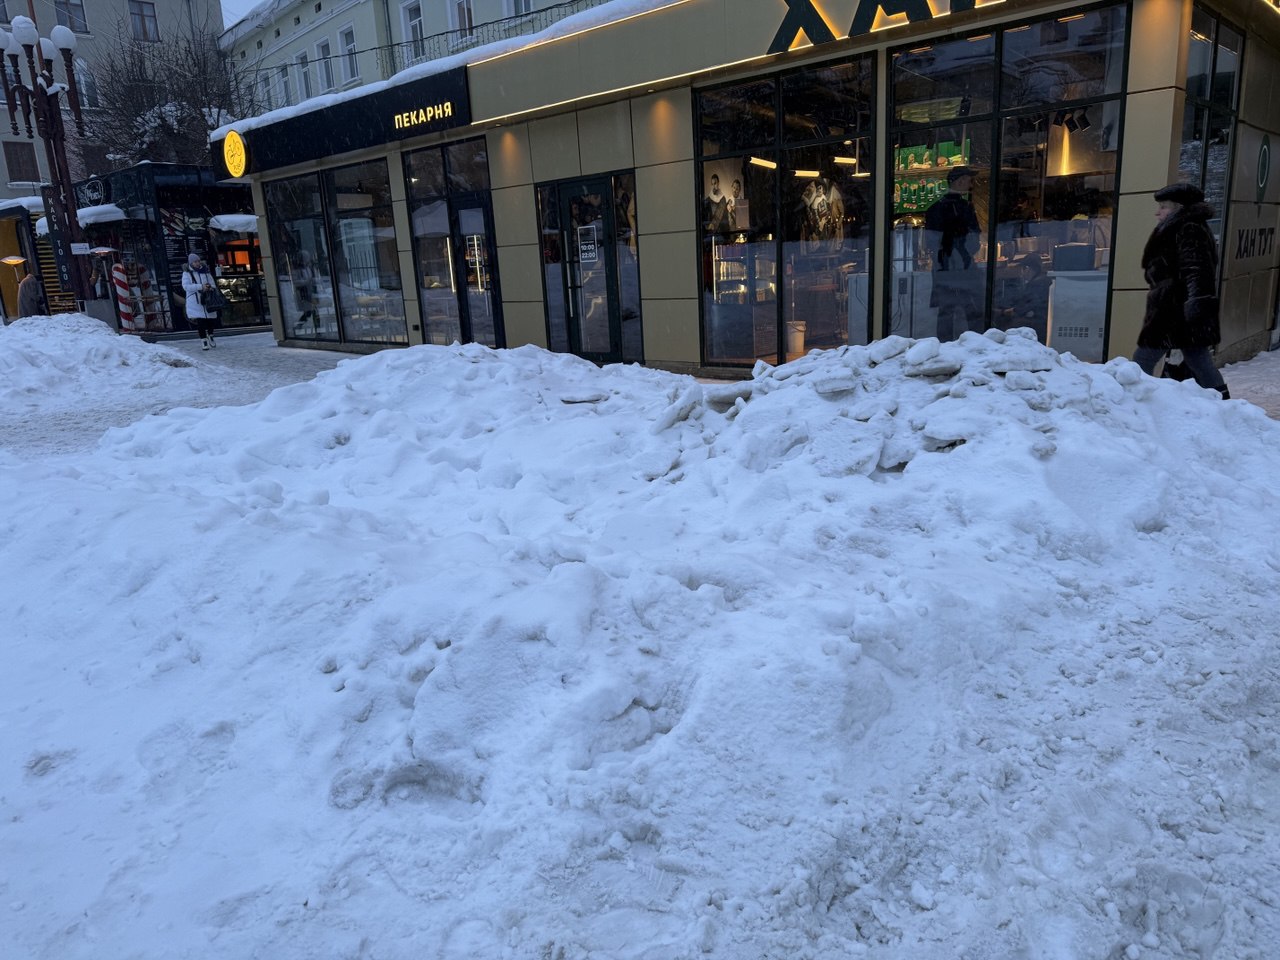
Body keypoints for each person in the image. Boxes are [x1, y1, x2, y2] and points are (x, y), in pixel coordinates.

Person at [1134, 182, 1229, 399]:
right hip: (1177, 308)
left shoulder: (1189, 229)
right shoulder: (1181, 227)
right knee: (1198, 359)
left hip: (1174, 309)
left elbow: (1197, 271)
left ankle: (1135, 401)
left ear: (1179, 208)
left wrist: (1194, 308)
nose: (1158, 212)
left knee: (1143, 359)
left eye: (1163, 207)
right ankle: (1224, 402)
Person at [925, 165, 983, 341]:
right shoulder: (965, 207)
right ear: (960, 181)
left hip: (943, 268)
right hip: (962, 267)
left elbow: (931, 243)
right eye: (969, 180)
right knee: (971, 310)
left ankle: (944, 347)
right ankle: (976, 345)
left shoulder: (935, 208)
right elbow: (974, 240)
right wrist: (964, 252)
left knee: (946, 311)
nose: (971, 184)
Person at [182, 252, 218, 350]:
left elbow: (213, 284)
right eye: (195, 262)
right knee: (200, 322)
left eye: (198, 261)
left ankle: (210, 335)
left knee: (210, 320)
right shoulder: (187, 273)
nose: (197, 263)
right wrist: (200, 286)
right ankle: (203, 340)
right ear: (191, 263)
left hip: (208, 300)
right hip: (196, 301)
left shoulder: (205, 271)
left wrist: (209, 287)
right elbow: (186, 286)